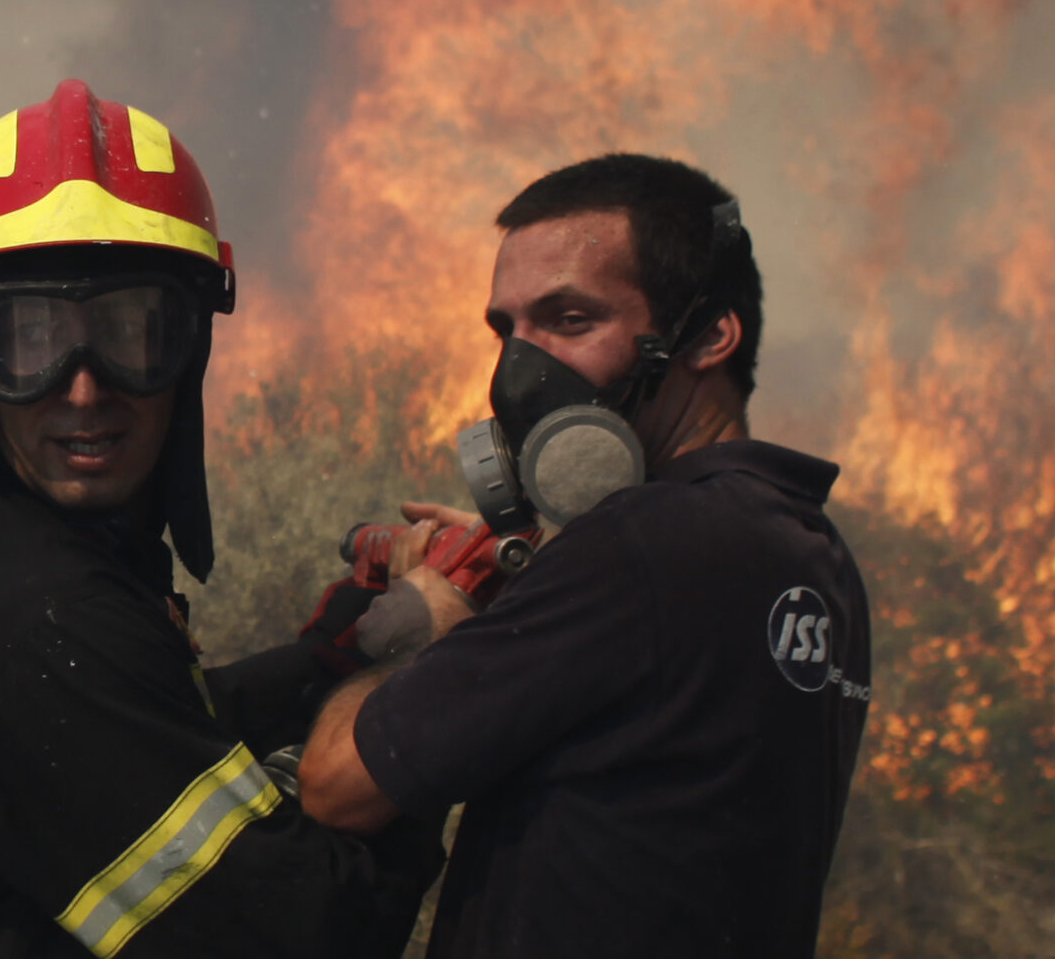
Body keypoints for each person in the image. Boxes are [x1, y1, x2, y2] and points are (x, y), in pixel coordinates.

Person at [0, 78, 441, 959]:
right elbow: (318, 936)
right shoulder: (45, 622)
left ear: (190, 348)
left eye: (135, 331)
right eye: (30, 337)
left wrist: (339, 654)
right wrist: (446, 691)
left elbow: (144, 714)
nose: (86, 388)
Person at [299, 153, 873, 959]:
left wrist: (439, 615)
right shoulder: (812, 558)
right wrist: (543, 576)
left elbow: (338, 784)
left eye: (569, 320)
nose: (518, 372)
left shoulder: (639, 544)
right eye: (508, 329)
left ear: (710, 334)